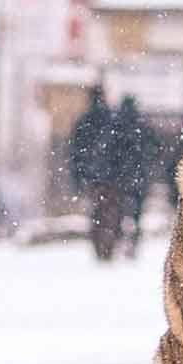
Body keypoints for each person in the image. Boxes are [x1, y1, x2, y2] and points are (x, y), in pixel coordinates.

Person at [69, 87, 122, 261]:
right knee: (112, 211)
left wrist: (78, 178)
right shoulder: (112, 120)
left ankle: (99, 244)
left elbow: (75, 153)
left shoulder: (84, 122)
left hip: (92, 177)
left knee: (97, 211)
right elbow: (122, 150)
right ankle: (109, 244)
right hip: (112, 176)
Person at [111, 95, 155, 256]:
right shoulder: (142, 126)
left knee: (119, 212)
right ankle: (133, 242)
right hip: (139, 176)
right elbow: (155, 148)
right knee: (137, 213)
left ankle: (120, 239)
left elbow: (109, 152)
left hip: (120, 177)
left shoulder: (116, 127)